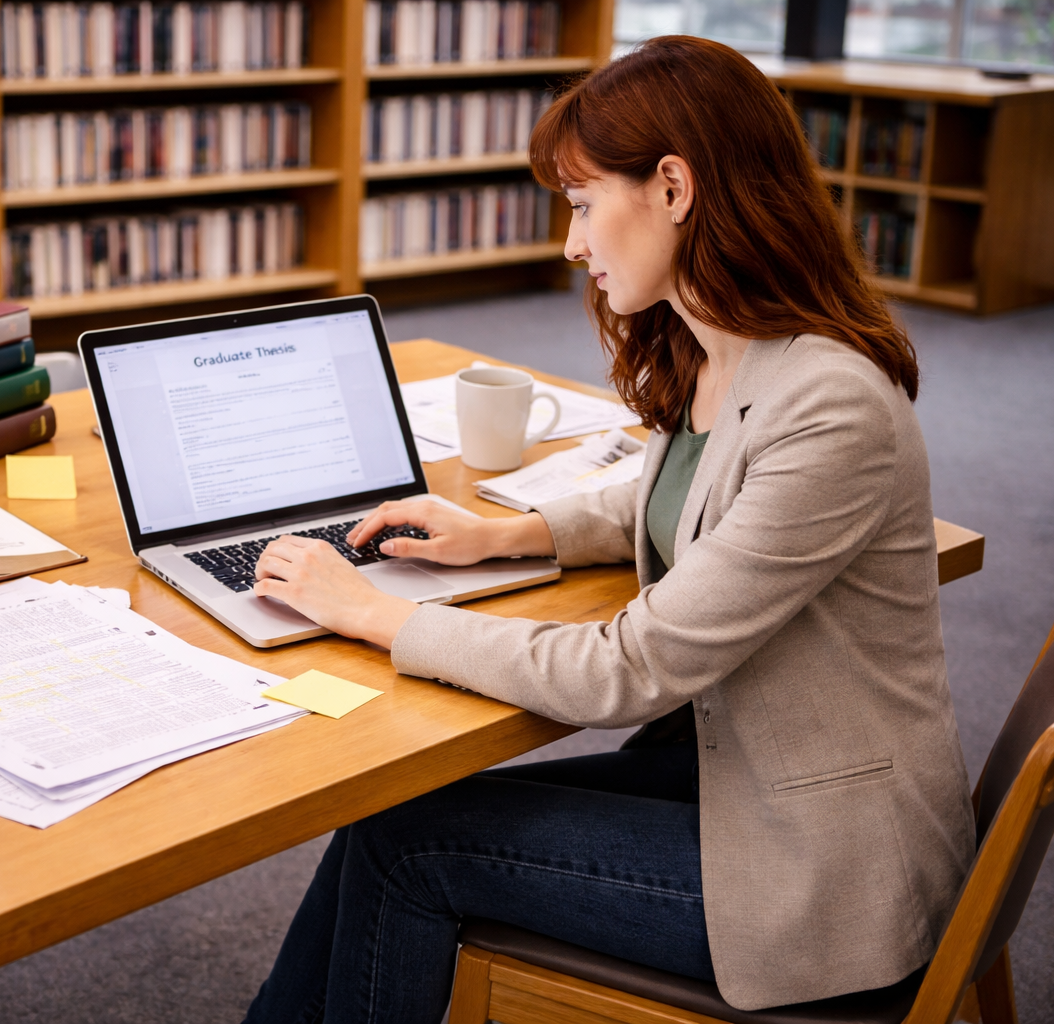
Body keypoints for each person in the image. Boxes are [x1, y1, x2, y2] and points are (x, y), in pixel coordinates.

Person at [242, 35, 976, 1022]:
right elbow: (675, 496)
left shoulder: (831, 404)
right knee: (388, 820)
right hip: (733, 779)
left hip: (826, 870)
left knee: (406, 847)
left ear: (673, 187)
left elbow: (627, 670)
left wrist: (374, 615)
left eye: (584, 205)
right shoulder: (730, 349)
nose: (571, 244)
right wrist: (501, 534)